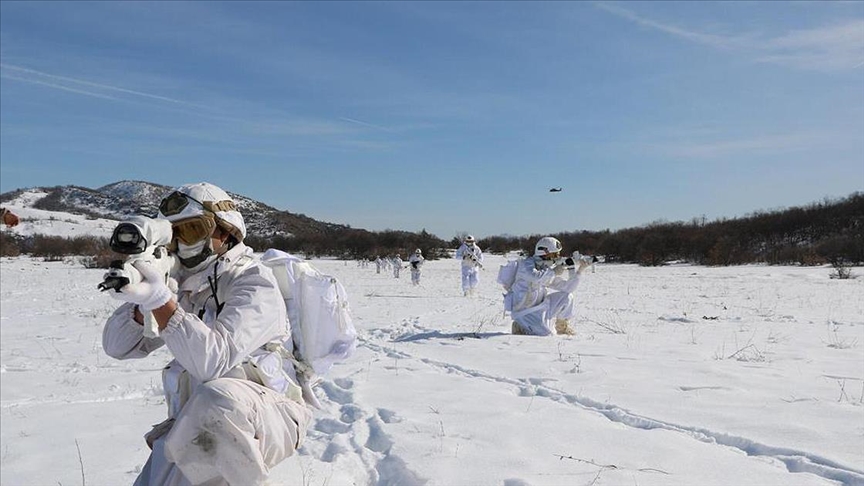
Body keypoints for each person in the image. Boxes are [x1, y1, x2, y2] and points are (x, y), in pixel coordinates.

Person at [102, 182, 312, 486]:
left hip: (270, 415)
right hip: (197, 420)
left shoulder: (253, 281)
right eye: (175, 234)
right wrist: (142, 300)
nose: (182, 243)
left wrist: (160, 301)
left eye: (193, 230)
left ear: (226, 232)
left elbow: (213, 362)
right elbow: (116, 346)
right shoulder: (186, 285)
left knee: (219, 402)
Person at [508, 236, 591, 336]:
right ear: (545, 252)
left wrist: (580, 271)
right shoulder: (526, 265)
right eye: (555, 254)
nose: (557, 257)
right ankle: (519, 326)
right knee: (546, 334)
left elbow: (568, 288)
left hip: (540, 307)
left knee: (567, 297)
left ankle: (562, 327)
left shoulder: (545, 269)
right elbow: (535, 277)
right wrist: (553, 272)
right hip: (524, 313)